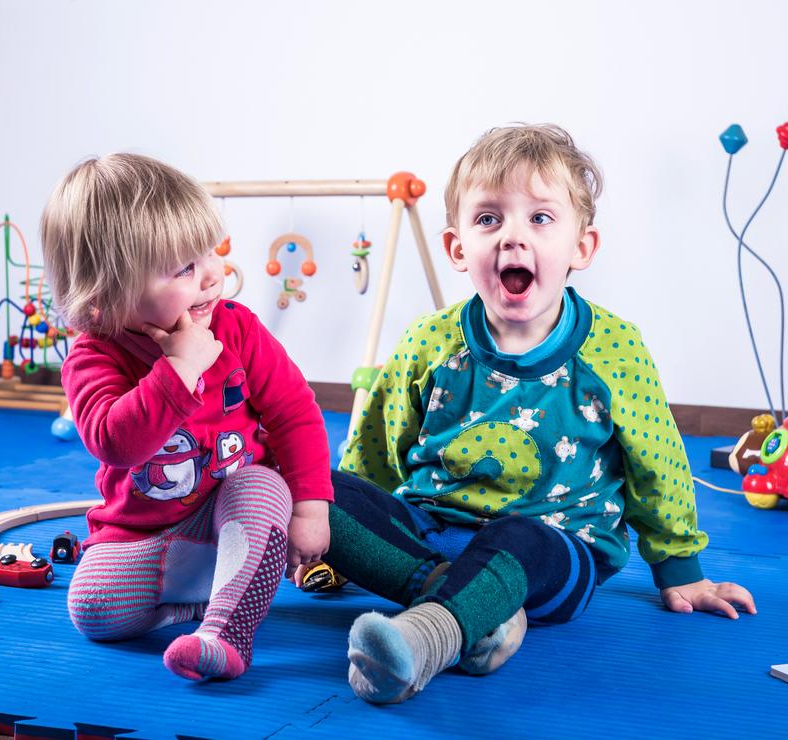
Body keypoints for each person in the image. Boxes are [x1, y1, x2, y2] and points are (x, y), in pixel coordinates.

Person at [322, 124, 756, 704]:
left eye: (541, 219)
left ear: (582, 247)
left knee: (520, 537)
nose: (513, 239)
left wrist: (680, 568)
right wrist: (345, 530)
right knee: (312, 487)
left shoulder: (615, 350)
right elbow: (376, 447)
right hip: (430, 536)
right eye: (488, 219)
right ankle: (477, 611)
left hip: (553, 551)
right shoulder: (428, 342)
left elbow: (659, 463)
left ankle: (426, 636)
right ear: (457, 248)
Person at [41, 153, 332, 681]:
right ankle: (199, 602)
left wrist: (311, 510)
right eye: (183, 268)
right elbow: (115, 442)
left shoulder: (237, 329)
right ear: (106, 297)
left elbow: (295, 411)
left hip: (230, 511)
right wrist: (178, 370)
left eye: (210, 253)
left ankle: (224, 632)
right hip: (143, 533)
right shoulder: (92, 357)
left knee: (262, 484)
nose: (212, 276)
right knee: (91, 611)